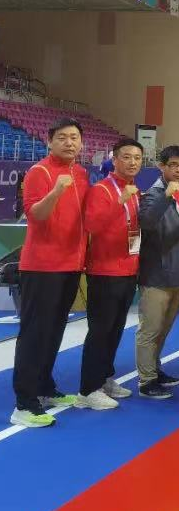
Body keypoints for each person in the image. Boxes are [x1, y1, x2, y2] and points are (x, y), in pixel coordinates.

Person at [10, 118, 90, 427]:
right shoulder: (39, 172)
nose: (69, 142)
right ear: (49, 141)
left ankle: (43, 386)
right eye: (62, 137)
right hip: (42, 266)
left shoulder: (81, 173)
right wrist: (56, 191)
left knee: (54, 331)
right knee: (35, 333)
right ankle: (24, 402)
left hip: (71, 265)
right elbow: (37, 215)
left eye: (74, 137)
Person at [76, 139, 144, 410]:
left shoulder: (135, 191)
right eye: (126, 157)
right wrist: (120, 201)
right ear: (114, 160)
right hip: (104, 271)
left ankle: (104, 378)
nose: (132, 162)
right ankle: (87, 390)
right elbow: (92, 224)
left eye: (137, 157)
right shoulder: (102, 189)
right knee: (100, 330)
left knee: (115, 329)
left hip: (128, 269)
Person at [135, 145, 179, 399]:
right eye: (173, 165)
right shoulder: (153, 194)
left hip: (178, 274)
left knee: (164, 329)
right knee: (150, 330)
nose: (178, 170)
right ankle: (146, 381)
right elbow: (147, 223)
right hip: (156, 276)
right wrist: (166, 197)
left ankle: (155, 370)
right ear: (162, 166)